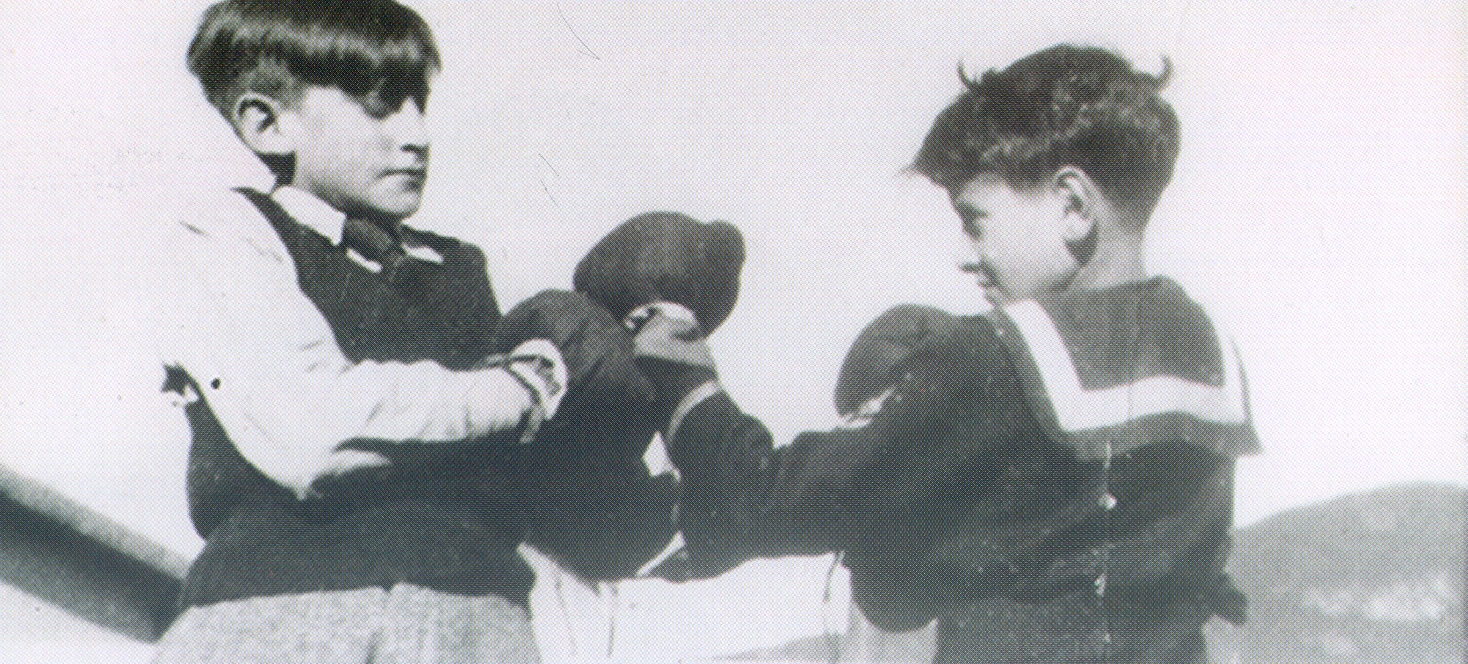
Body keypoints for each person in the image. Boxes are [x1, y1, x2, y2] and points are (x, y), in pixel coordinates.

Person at [637, 44, 1261, 664]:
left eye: (975, 220)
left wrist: (687, 382)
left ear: (1074, 207)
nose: (966, 254)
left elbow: (756, 503)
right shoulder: (1208, 352)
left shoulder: (994, 359)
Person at [151, 1, 655, 660]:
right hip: (281, 617)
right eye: (380, 105)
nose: (416, 134)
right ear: (268, 124)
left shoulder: (460, 267)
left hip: (475, 622)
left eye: (420, 104)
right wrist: (526, 387)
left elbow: (547, 497)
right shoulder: (228, 234)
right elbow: (315, 428)